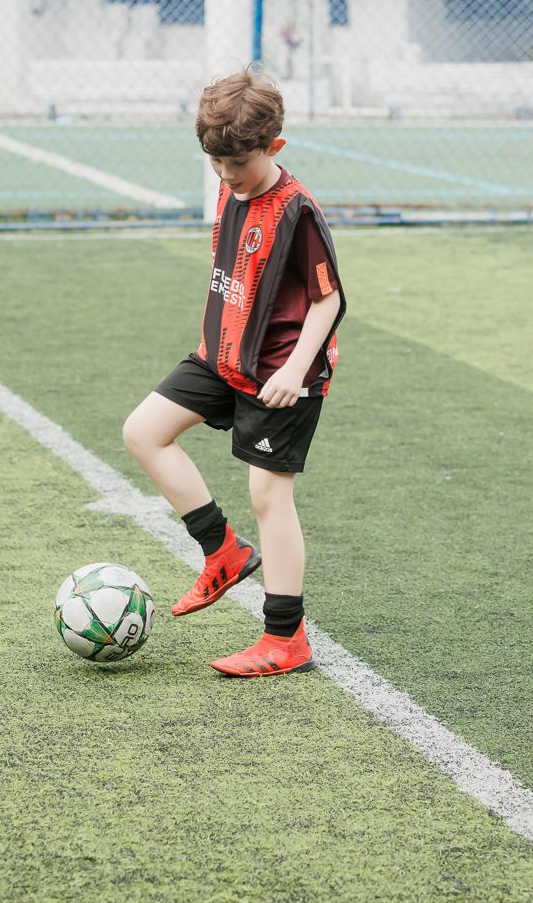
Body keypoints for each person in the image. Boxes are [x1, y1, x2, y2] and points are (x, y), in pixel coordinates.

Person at [122, 68, 345, 677]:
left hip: (280, 371)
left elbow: (329, 300)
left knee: (269, 495)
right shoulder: (229, 188)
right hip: (222, 359)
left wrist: (295, 368)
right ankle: (221, 550)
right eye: (215, 163)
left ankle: (284, 638)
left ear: (274, 148)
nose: (225, 175)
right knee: (143, 431)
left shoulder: (297, 211)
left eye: (238, 164)